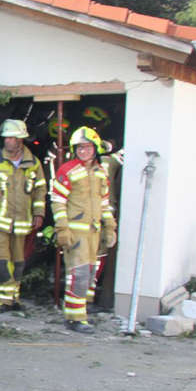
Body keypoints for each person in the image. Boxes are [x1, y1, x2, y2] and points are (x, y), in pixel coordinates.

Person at [50, 126, 117, 333]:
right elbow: (58, 202)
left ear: (95, 149)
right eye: (79, 148)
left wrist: (110, 227)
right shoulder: (67, 170)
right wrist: (62, 229)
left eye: (87, 147)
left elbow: (104, 204)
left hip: (94, 233)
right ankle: (75, 319)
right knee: (78, 275)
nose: (83, 151)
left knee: (89, 274)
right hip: (75, 233)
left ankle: (79, 314)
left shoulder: (100, 173)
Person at [0, 119, 47, 312]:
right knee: (1, 262)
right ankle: (4, 301)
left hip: (21, 224)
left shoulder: (33, 163)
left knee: (18, 263)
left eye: (11, 138)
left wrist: (39, 213)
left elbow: (40, 191)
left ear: (20, 139)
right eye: (6, 138)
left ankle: (14, 298)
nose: (7, 141)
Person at [88, 140, 123, 305]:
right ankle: (84, 298)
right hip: (90, 216)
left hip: (103, 216)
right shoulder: (79, 167)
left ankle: (87, 297)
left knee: (97, 256)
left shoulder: (109, 162)